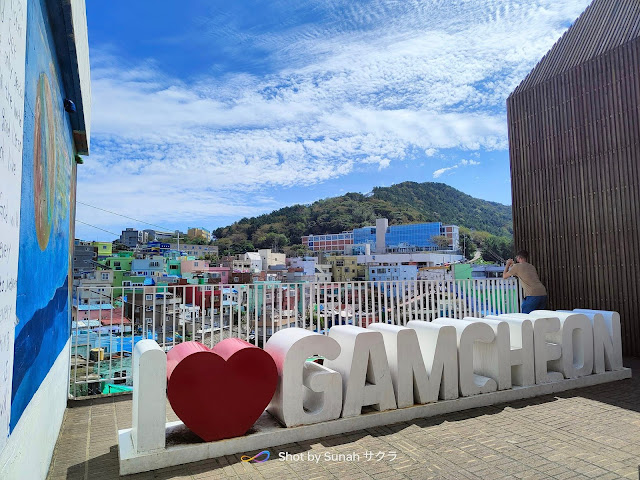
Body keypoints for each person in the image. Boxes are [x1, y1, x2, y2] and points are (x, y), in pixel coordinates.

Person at [502, 250, 547, 314]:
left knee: (526, 318)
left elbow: (504, 276)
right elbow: (521, 270)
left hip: (532, 294)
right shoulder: (531, 266)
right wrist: (512, 265)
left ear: (519, 258)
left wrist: (507, 264)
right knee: (539, 318)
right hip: (542, 293)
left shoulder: (517, 267)